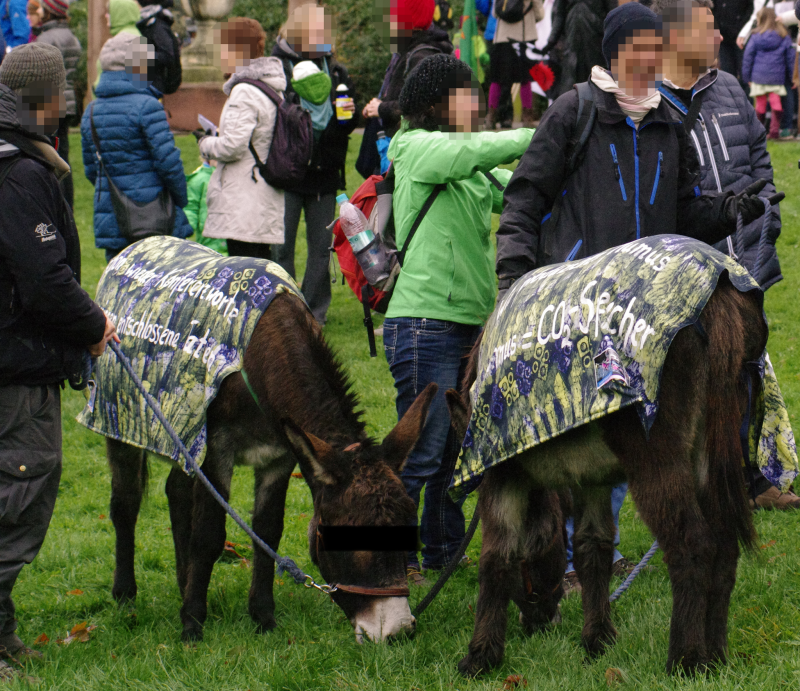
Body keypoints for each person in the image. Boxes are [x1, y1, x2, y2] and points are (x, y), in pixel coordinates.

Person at [495, 2, 780, 594]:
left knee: (630, 431)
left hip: (646, 311)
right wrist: (514, 284)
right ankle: (559, 564)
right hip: (577, 303)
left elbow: (683, 212)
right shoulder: (573, 112)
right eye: (643, 48)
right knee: (571, 433)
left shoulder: (668, 122)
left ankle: (600, 553)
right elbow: (523, 200)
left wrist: (729, 209)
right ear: (618, 52)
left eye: (658, 47)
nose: (654, 59)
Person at [384, 53, 533, 583]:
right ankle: (389, 558)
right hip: (424, 323)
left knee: (454, 452)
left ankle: (442, 554)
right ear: (434, 105)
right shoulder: (416, 147)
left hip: (468, 325)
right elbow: (472, 150)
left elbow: (516, 185)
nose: (475, 103)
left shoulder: (468, 167)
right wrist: (540, 131)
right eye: (465, 94)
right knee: (421, 453)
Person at [0, 43, 117, 682]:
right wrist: (95, 325)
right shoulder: (18, 172)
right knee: (20, 490)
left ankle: (3, 629)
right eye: (61, 92)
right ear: (42, 96)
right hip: (16, 364)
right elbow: (43, 278)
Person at [656, 0, 799, 510]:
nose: (718, 37)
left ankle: (750, 477)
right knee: (696, 383)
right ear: (675, 38)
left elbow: (759, 154)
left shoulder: (731, 87)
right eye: (707, 28)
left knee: (746, 372)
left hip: (747, 261)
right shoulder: (653, 107)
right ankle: (702, 485)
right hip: (692, 272)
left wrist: (767, 224)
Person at [272, 3, 357, 325]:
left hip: (324, 174)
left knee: (322, 249)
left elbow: (349, 119)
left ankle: (313, 315)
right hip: (290, 172)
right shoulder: (279, 68)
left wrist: (346, 116)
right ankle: (284, 310)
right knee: (281, 250)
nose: (323, 37)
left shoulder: (335, 72)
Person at [81, 33, 192, 260]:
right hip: (157, 216)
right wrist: (180, 199)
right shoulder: (148, 106)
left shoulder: (90, 112)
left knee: (122, 290)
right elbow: (169, 162)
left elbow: (92, 171)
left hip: (114, 217)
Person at [196, 18, 286, 260]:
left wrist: (205, 143)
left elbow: (233, 147)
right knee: (259, 278)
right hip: (261, 194)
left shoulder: (244, 91)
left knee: (244, 279)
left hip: (244, 201)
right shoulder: (269, 86)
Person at [361, 0, 453, 140]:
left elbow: (418, 108)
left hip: (410, 145)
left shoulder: (421, 57)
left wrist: (381, 109)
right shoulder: (405, 51)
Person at [33, 0, 81, 208]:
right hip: (67, 101)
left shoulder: (45, 38)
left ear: (50, 11)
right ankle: (66, 203)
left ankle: (55, 202)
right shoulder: (70, 37)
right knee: (63, 155)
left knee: (48, 156)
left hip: (48, 101)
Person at [485, 0, 545, 128]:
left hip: (501, 39)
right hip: (524, 38)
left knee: (496, 79)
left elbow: (496, 13)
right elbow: (539, 14)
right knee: (525, 79)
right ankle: (526, 118)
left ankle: (491, 117)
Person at [742, 6, 796, 139]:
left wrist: (746, 76)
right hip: (777, 78)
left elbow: (748, 58)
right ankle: (774, 131)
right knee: (776, 104)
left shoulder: (755, 36)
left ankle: (759, 133)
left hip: (758, 77)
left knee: (760, 105)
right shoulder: (784, 36)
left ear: (760, 19)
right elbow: (791, 60)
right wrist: (793, 77)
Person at [544, 0, 615, 98]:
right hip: (572, 42)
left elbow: (612, 14)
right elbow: (559, 14)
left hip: (595, 42)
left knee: (596, 83)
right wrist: (551, 41)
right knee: (571, 82)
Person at [476, 0, 514, 127]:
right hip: (495, 34)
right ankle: (499, 115)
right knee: (497, 77)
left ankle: (501, 115)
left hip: (508, 33)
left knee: (504, 77)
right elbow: (485, 8)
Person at [135, 0, 182, 95]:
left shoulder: (157, 25)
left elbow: (168, 55)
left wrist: (143, 56)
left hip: (154, 86)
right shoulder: (147, 22)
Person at [93, 0, 142, 88]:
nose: (106, 16)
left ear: (119, 15)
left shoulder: (118, 42)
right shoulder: (139, 37)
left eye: (109, 13)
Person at [185, 157, 226, 255]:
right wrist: (186, 229)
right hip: (208, 243)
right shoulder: (199, 179)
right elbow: (191, 208)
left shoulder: (235, 178)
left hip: (234, 240)